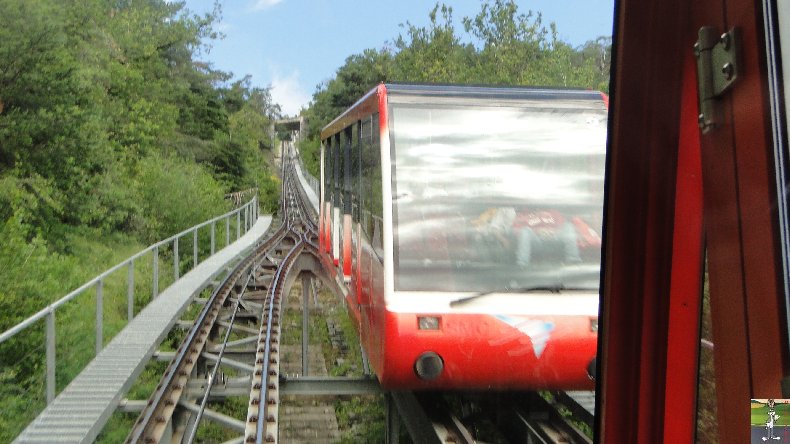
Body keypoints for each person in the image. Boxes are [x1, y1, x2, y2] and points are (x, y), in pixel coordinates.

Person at [513, 208, 585, 267]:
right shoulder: (525, 214)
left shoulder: (554, 212)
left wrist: (552, 231)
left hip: (555, 240)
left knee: (569, 226)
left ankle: (573, 262)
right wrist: (537, 231)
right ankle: (522, 265)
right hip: (536, 242)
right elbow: (516, 230)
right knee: (525, 231)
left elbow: (563, 227)